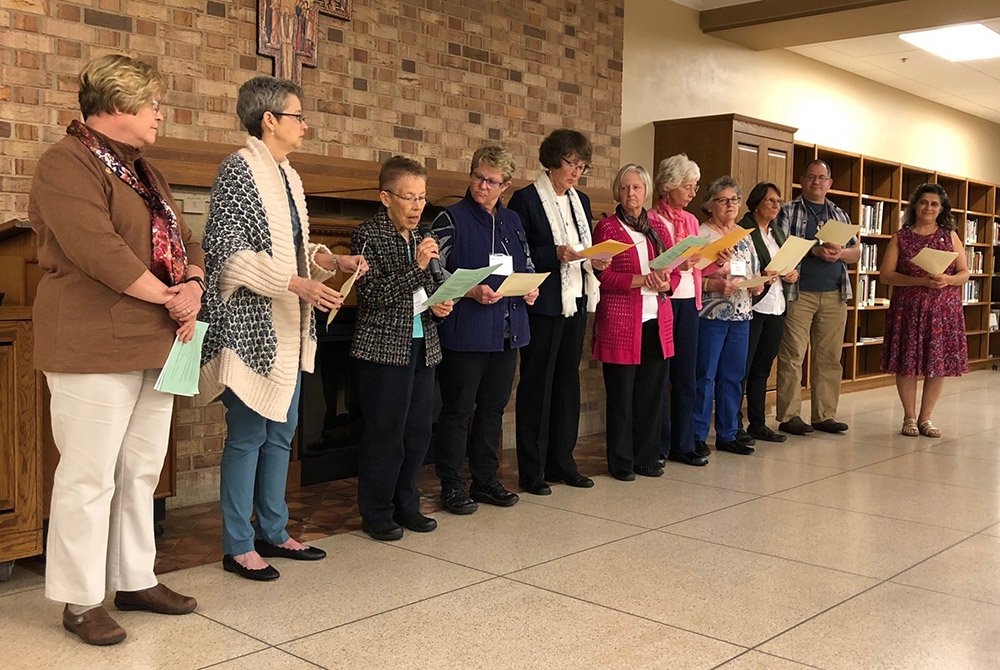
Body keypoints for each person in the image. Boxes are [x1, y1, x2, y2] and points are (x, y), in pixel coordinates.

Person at [29, 54, 202, 645]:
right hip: (91, 339)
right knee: (88, 475)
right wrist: (170, 296)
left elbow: (185, 236)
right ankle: (79, 600)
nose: (160, 114)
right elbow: (96, 248)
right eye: (153, 104)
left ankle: (135, 578)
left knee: (140, 471)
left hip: (156, 340)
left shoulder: (145, 172)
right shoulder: (65, 163)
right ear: (118, 105)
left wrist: (195, 283)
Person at [200, 76, 367, 580]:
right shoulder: (238, 170)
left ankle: (274, 529)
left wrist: (329, 260)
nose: (306, 125)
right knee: (248, 436)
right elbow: (227, 257)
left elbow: (294, 251)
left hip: (289, 328)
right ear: (269, 119)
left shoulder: (288, 175)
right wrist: (297, 283)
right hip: (252, 329)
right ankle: (237, 544)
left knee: (283, 433)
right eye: (299, 116)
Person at [351, 156, 454, 540]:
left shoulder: (422, 237)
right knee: (385, 434)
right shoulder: (368, 235)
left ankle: (406, 505)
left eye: (422, 198)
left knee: (417, 433)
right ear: (385, 197)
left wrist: (442, 304)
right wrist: (416, 266)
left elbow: (431, 286)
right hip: (382, 350)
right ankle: (376, 512)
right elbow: (373, 295)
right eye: (408, 197)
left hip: (423, 344)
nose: (416, 206)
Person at [431, 145, 538, 514]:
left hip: (507, 330)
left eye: (492, 181)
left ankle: (486, 480)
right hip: (466, 330)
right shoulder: (451, 218)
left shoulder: (512, 221)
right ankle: (451, 484)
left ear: (505, 186)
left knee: (493, 409)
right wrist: (470, 290)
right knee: (458, 409)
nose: (482, 185)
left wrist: (530, 286)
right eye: (478, 176)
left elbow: (524, 262)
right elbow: (433, 272)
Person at [508, 129, 610, 495]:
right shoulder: (526, 199)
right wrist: (555, 253)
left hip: (578, 300)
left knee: (568, 383)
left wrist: (595, 260)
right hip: (544, 303)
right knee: (537, 384)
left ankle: (563, 462)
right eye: (571, 164)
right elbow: (519, 253)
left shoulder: (580, 201)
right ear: (552, 159)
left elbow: (584, 246)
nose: (577, 172)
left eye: (583, 166)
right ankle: (531, 471)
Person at [648, 154, 731, 467]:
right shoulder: (653, 219)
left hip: (689, 302)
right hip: (662, 303)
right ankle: (658, 443)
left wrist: (717, 260)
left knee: (687, 376)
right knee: (660, 376)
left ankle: (683, 444)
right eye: (688, 186)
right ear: (669, 186)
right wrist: (677, 263)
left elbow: (698, 265)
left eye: (695, 186)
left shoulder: (693, 221)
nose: (694, 193)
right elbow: (652, 265)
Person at [592, 164, 675, 480]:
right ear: (617, 191)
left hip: (657, 320)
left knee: (650, 396)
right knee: (622, 398)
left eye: (637, 188)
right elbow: (605, 276)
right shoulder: (608, 229)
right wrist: (642, 280)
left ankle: (646, 457)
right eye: (625, 188)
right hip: (621, 323)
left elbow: (674, 271)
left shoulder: (659, 227)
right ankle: (621, 462)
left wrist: (665, 281)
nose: (631, 194)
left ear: (646, 191)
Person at [775, 159, 860, 435]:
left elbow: (856, 252)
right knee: (792, 356)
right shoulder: (787, 210)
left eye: (822, 178)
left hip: (835, 293)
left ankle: (824, 415)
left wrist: (839, 254)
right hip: (799, 293)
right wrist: (814, 250)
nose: (816, 182)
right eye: (811, 177)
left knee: (829, 357)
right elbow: (779, 247)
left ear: (830, 183)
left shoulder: (839, 213)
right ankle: (789, 416)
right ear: (802, 180)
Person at [881, 183, 970, 437]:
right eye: (923, 202)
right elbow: (887, 275)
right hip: (908, 308)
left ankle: (926, 418)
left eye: (934, 204)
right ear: (915, 206)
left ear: (941, 209)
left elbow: (964, 273)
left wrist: (947, 279)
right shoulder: (901, 236)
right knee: (907, 363)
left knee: (937, 363)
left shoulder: (949, 235)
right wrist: (921, 281)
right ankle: (909, 417)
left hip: (943, 310)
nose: (928, 208)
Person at [694, 177, 764, 456]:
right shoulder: (701, 235)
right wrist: (713, 284)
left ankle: (728, 433)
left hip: (741, 314)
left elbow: (753, 270)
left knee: (733, 376)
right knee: (705, 375)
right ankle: (698, 435)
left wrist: (758, 283)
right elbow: (688, 276)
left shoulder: (744, 234)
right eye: (723, 200)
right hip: (710, 314)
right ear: (710, 205)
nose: (730, 205)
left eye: (734, 199)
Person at [737, 182, 797, 443]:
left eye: (778, 201)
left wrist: (792, 273)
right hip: (753, 306)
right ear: (757, 203)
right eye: (770, 200)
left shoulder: (778, 233)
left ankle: (758, 423)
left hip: (776, 305)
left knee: (763, 368)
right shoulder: (743, 231)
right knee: (743, 367)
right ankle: (734, 423)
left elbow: (787, 263)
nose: (776, 205)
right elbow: (739, 268)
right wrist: (760, 276)